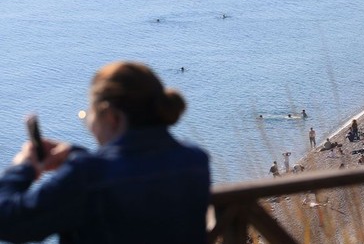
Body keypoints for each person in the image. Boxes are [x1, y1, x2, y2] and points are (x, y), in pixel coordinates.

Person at [0, 61, 210, 244]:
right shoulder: (195, 160)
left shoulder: (86, 176)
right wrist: (77, 154)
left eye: (88, 115)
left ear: (111, 117)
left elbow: (8, 221)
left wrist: (22, 168)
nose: (89, 124)